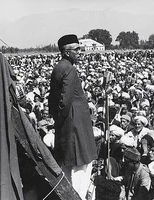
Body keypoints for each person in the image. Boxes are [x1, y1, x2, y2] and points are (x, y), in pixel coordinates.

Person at [48, 34, 97, 199]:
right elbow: (65, 100)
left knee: (69, 166)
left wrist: (57, 121)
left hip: (68, 125)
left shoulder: (58, 67)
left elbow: (53, 99)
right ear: (66, 52)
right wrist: (62, 121)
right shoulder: (69, 69)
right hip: (75, 125)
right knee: (80, 167)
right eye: (76, 49)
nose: (80, 52)